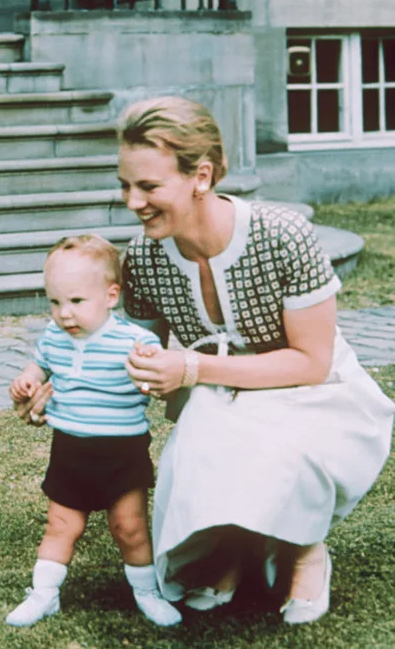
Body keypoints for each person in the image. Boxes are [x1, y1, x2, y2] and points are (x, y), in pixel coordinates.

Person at [57, 95, 390, 624]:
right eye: (125, 185)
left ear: (202, 176)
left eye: (148, 186)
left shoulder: (283, 235)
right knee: (204, 429)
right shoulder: (143, 257)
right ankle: (232, 550)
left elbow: (310, 363)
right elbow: (122, 348)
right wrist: (56, 384)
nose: (132, 202)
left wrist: (192, 369)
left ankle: (306, 551)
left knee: (267, 431)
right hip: (221, 395)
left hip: (316, 395)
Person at [4, 235, 182, 628]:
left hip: (122, 452)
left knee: (129, 527)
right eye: (55, 302)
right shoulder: (53, 339)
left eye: (76, 301)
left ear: (111, 295)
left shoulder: (135, 341)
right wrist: (25, 383)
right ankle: (44, 594)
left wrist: (149, 373)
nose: (64, 313)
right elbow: (36, 370)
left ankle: (147, 593)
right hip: (71, 451)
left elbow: (154, 378)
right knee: (61, 525)